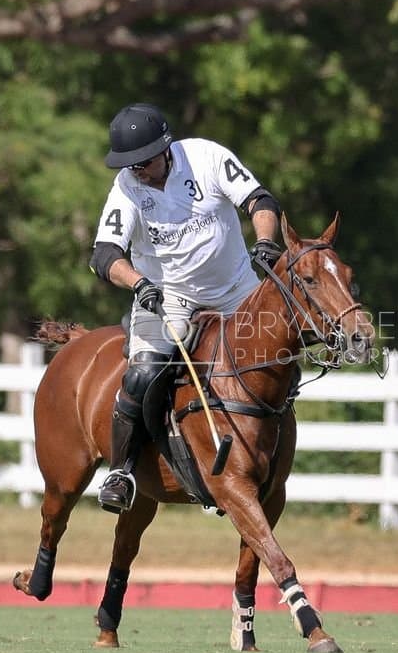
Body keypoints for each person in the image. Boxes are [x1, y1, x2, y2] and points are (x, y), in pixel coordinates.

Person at [89, 103, 285, 513]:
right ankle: (122, 471)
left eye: (142, 162)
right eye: (129, 164)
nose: (136, 170)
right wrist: (140, 283)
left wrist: (265, 242)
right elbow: (105, 254)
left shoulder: (206, 157)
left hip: (237, 292)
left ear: (165, 149)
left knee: (277, 361)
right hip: (168, 296)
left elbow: (259, 200)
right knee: (143, 373)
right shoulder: (127, 186)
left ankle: (268, 459)